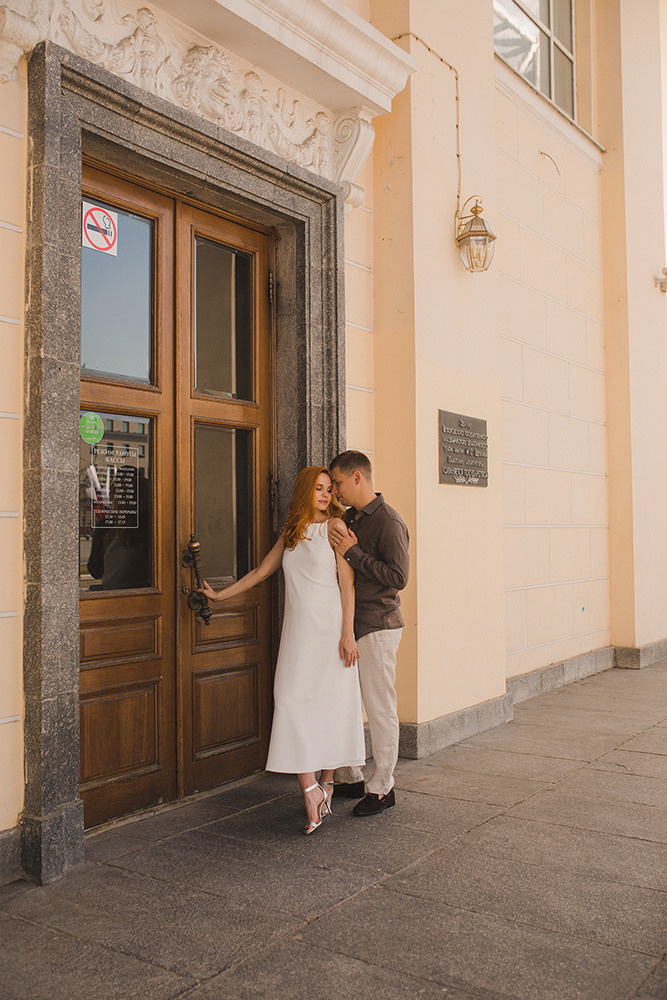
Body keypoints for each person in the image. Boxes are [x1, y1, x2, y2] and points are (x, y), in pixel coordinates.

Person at [199, 466, 365, 835]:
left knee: (331, 703)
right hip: (299, 633)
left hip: (330, 630)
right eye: (319, 489)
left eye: (328, 489)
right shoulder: (291, 535)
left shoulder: (334, 528)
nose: (325, 495)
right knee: (289, 699)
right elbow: (260, 572)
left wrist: (348, 634)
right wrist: (219, 595)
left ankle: (324, 785)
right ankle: (312, 789)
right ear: (305, 491)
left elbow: (348, 586)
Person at [328, 450, 409, 816]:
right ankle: (351, 776)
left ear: (358, 478)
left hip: (378, 625)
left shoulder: (389, 521)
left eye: (339, 483)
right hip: (349, 625)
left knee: (379, 708)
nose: (335, 491)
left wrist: (355, 553)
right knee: (347, 705)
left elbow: (398, 577)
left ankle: (382, 788)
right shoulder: (348, 518)